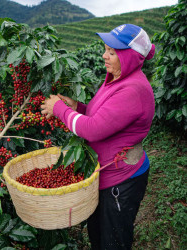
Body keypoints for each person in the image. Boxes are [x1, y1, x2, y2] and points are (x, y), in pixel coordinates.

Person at [41, 24, 155, 249]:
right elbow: (103, 116)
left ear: (130, 57)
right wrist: (78, 107)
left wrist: (61, 110)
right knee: (98, 234)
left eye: (112, 53)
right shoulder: (116, 79)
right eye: (105, 49)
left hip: (121, 181)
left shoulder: (133, 89)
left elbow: (92, 129)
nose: (104, 56)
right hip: (103, 175)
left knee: (113, 241)